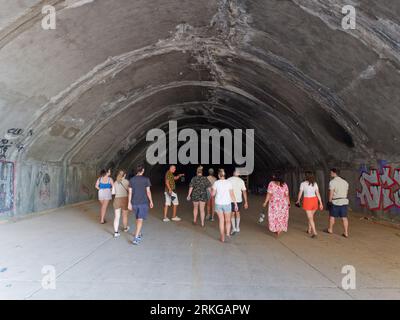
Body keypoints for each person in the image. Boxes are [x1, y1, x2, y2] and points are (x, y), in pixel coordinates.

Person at [128, 164, 154, 245]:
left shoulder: (131, 180)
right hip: (143, 203)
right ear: (142, 170)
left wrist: (129, 203)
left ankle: (138, 233)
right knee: (140, 219)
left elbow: (130, 192)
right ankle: (136, 237)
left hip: (134, 203)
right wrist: (151, 201)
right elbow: (148, 191)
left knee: (137, 218)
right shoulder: (146, 179)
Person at [212, 169, 238, 243]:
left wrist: (212, 191)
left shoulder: (216, 183)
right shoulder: (229, 183)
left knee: (221, 220)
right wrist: (235, 204)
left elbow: (213, 194)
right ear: (224, 175)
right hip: (227, 204)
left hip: (218, 204)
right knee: (228, 220)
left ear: (218, 175)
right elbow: (232, 194)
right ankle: (227, 234)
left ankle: (222, 237)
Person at [296, 171, 323, 238]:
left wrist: (298, 200)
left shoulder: (303, 184)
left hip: (307, 201)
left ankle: (315, 232)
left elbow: (300, 193)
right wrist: (321, 203)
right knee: (311, 216)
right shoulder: (315, 183)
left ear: (306, 176)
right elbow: (318, 193)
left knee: (310, 217)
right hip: (314, 200)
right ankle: (309, 229)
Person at [263, 172, 290, 238]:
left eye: (274, 175)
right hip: (283, 204)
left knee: (274, 216)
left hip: (274, 204)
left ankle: (276, 228)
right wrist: (289, 203)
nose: (273, 176)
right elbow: (287, 195)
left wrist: (265, 202)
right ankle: (279, 229)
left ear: (276, 176)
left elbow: (269, 194)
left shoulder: (271, 184)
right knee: (282, 216)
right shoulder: (285, 184)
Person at [325, 168, 350, 238]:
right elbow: (346, 193)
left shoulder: (332, 182)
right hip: (344, 201)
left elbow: (331, 193)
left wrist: (329, 201)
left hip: (335, 201)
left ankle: (330, 229)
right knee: (344, 218)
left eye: (331, 172)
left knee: (332, 216)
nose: (330, 173)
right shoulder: (345, 182)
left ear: (334, 173)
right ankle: (346, 232)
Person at [227, 169, 248, 235]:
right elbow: (244, 191)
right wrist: (246, 202)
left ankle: (233, 228)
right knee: (238, 213)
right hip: (239, 200)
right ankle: (237, 227)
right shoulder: (241, 181)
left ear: (233, 173)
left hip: (231, 200)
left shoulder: (228, 180)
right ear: (239, 174)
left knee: (232, 213)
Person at [112, 170, 130, 238]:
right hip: (125, 199)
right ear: (124, 175)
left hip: (117, 199)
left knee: (117, 217)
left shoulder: (115, 182)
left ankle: (116, 232)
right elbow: (129, 191)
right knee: (125, 215)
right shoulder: (127, 181)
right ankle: (125, 228)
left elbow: (113, 193)